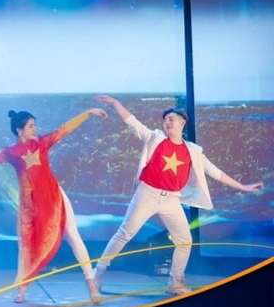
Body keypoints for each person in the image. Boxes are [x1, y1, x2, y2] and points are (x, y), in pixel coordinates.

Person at [93, 95, 264, 295]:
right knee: (124, 234)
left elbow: (215, 172)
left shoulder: (193, 151)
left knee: (184, 241)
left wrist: (243, 187)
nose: (167, 122)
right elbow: (132, 122)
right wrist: (115, 103)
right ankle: (98, 272)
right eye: (165, 120)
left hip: (171, 200)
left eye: (171, 119)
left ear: (183, 122)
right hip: (147, 194)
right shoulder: (155, 138)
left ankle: (175, 282)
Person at [0, 107, 108, 303]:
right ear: (20, 130)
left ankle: (91, 285)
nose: (35, 129)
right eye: (31, 126)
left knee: (74, 237)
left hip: (55, 197)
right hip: (32, 206)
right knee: (28, 246)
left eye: (35, 125)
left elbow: (64, 129)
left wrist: (88, 113)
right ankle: (22, 287)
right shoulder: (11, 152)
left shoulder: (42, 143)